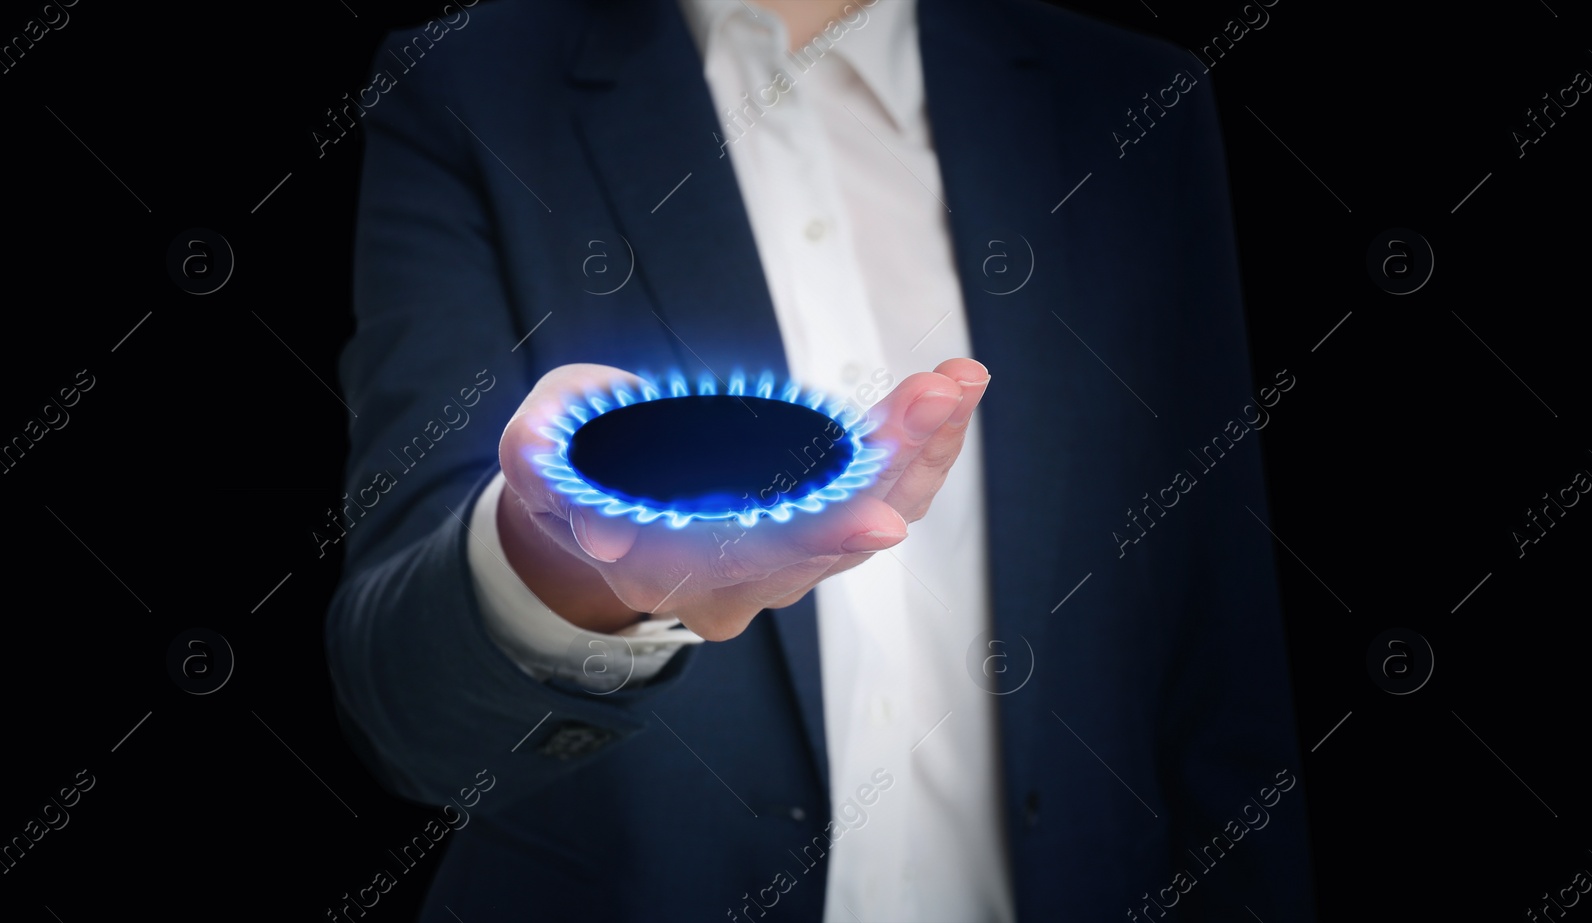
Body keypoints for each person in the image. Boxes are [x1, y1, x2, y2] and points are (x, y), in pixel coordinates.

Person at [325, 0, 1316, 919]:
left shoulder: (1134, 102)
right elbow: (403, 710)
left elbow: (1222, 653)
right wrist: (563, 571)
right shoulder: (472, 84)